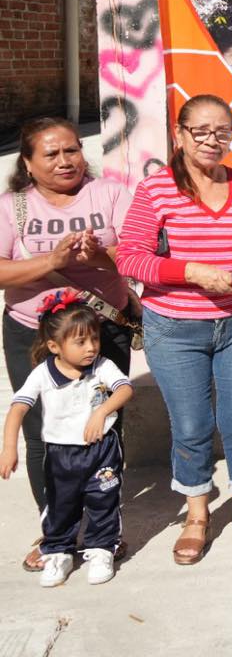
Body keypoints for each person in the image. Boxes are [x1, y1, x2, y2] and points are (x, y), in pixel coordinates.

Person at [117, 94, 232, 563]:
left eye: (223, 132)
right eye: (201, 131)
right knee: (191, 427)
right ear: (180, 135)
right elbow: (130, 257)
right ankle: (197, 515)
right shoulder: (157, 190)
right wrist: (190, 272)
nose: (213, 140)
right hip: (175, 328)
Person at [0, 117, 135, 572]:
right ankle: (54, 530)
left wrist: (98, 253)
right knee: (46, 434)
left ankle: (102, 532)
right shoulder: (12, 205)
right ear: (29, 163)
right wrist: (52, 261)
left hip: (102, 332)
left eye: (72, 150)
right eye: (51, 154)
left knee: (105, 431)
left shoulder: (110, 193)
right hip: (34, 336)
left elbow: (137, 253)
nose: (65, 161)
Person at [0, 294, 131, 586]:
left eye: (94, 339)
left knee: (103, 501)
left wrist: (103, 411)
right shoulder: (42, 374)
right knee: (60, 505)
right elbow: (18, 408)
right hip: (61, 455)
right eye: (80, 342)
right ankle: (58, 552)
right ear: (54, 346)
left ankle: (101, 549)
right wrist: (9, 448)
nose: (91, 348)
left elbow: (124, 389)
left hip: (102, 452)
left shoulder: (102, 366)